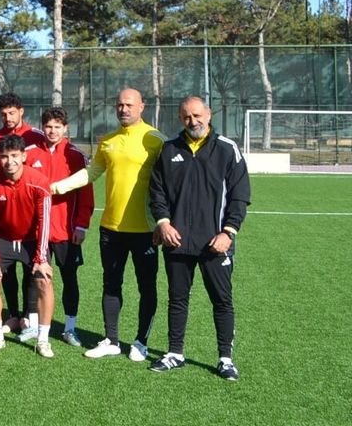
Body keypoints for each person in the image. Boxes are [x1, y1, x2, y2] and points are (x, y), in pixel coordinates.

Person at [52, 88, 164, 362]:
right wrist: (56, 187)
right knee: (111, 284)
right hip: (111, 229)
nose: (123, 109)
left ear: (142, 106)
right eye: (119, 105)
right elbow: (91, 173)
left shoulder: (156, 139)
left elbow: (171, 182)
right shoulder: (108, 141)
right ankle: (111, 340)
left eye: (129, 105)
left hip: (146, 231)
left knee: (146, 287)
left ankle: (141, 342)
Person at [148, 96, 250, 381]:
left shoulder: (227, 149)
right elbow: (157, 191)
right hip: (177, 241)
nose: (192, 121)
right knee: (177, 299)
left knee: (222, 300)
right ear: (180, 119)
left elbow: (240, 195)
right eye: (186, 117)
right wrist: (163, 223)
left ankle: (226, 359)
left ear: (209, 114)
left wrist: (228, 232)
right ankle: (175, 353)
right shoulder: (169, 149)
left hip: (215, 243)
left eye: (196, 115)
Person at [0, 134, 55, 358]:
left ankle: (43, 340)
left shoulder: (39, 181)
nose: (9, 161)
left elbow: (44, 221)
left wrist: (41, 258)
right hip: (3, 239)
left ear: (23, 156)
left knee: (44, 281)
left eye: (14, 156)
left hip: (31, 240)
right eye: (4, 157)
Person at [0, 93, 49, 333]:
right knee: (6, 273)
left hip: (31, 211)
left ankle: (30, 315)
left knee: (33, 273)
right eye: (3, 114)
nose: (8, 118)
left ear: (21, 111)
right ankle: (12, 314)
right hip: (3, 215)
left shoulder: (37, 137)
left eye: (12, 113)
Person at [25, 107, 91, 347]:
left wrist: (81, 225)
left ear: (65, 128)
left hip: (66, 231)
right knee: (36, 277)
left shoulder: (75, 156)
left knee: (69, 277)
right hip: (37, 231)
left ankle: (70, 328)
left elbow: (86, 194)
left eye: (57, 127)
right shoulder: (30, 154)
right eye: (48, 126)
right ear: (42, 127)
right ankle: (34, 326)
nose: (52, 131)